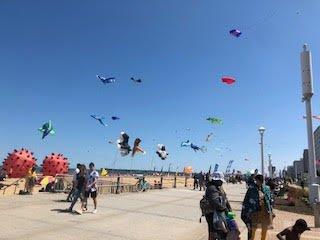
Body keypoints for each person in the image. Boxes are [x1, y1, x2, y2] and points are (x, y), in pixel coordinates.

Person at [241, 174, 274, 240]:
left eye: (261, 180)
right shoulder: (251, 189)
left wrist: (271, 210)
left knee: (265, 228)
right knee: (253, 229)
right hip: (254, 211)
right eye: (258, 180)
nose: (259, 182)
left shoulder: (267, 188)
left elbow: (270, 200)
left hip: (265, 212)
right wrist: (245, 211)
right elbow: (246, 200)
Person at [205, 171, 232, 240]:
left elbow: (225, 199)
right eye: (220, 180)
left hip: (220, 213)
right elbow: (215, 201)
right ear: (216, 180)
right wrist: (225, 209)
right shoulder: (212, 188)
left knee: (222, 232)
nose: (222, 182)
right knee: (215, 233)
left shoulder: (219, 187)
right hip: (213, 214)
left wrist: (230, 211)